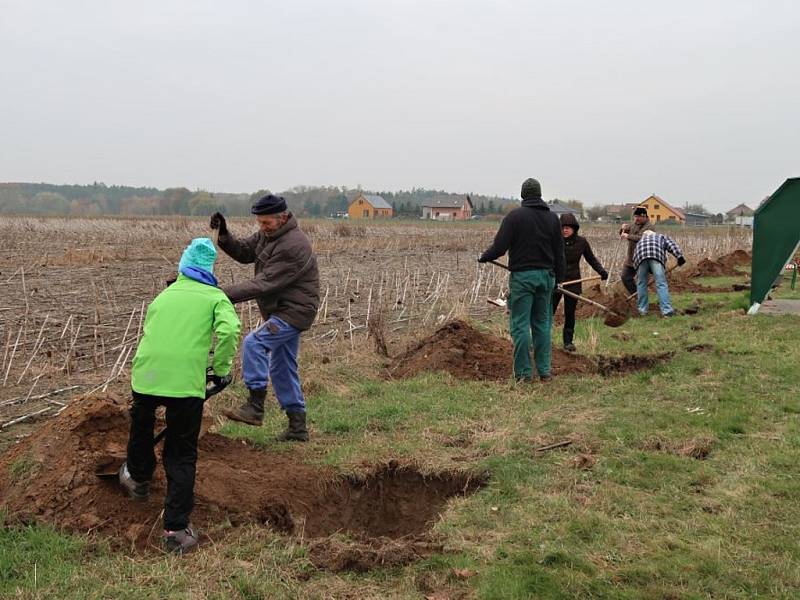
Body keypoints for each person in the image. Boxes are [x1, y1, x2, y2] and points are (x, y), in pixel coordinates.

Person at [119, 238, 241, 554]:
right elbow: (229, 331)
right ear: (210, 270)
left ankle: (137, 478)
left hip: (145, 376)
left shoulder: (163, 296)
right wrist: (221, 368)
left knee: (141, 428)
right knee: (181, 452)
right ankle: (175, 530)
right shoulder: (215, 297)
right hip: (185, 385)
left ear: (183, 266)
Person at [210, 194, 320, 441]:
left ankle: (255, 407)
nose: (261, 227)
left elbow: (263, 284)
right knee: (282, 366)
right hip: (280, 309)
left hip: (294, 310)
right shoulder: (269, 235)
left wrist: (215, 295)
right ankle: (297, 428)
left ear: (282, 218)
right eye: (259, 223)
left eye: (266, 223)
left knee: (254, 343)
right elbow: (245, 252)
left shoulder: (293, 245)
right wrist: (224, 235)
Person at [478, 178, 565, 381]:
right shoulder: (553, 219)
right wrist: (558, 280)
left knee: (520, 324)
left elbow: (499, 247)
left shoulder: (515, 217)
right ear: (540, 195)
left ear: (523, 195)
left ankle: (524, 374)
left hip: (523, 278)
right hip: (546, 277)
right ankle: (544, 372)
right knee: (542, 324)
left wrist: (485, 257)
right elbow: (559, 253)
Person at [552, 213, 608, 352]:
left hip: (573, 281)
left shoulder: (581, 242)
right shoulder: (554, 241)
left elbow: (591, 259)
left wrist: (601, 271)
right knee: (548, 312)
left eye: (568, 228)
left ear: (574, 228)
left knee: (570, 313)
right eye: (562, 227)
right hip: (555, 281)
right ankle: (544, 341)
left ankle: (568, 342)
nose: (565, 230)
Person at [632, 229, 686, 317]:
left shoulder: (640, 241)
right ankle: (667, 311)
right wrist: (679, 256)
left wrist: (639, 272)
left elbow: (634, 257)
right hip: (656, 257)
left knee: (641, 284)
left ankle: (642, 310)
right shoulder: (660, 236)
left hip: (640, 259)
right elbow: (671, 245)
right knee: (661, 284)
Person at [619, 207, 653, 294]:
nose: (636, 219)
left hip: (643, 259)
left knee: (641, 281)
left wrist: (628, 236)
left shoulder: (650, 227)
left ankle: (642, 300)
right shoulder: (634, 224)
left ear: (644, 216)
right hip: (631, 258)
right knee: (625, 277)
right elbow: (622, 234)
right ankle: (635, 295)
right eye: (635, 217)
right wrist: (623, 228)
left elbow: (642, 238)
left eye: (638, 217)